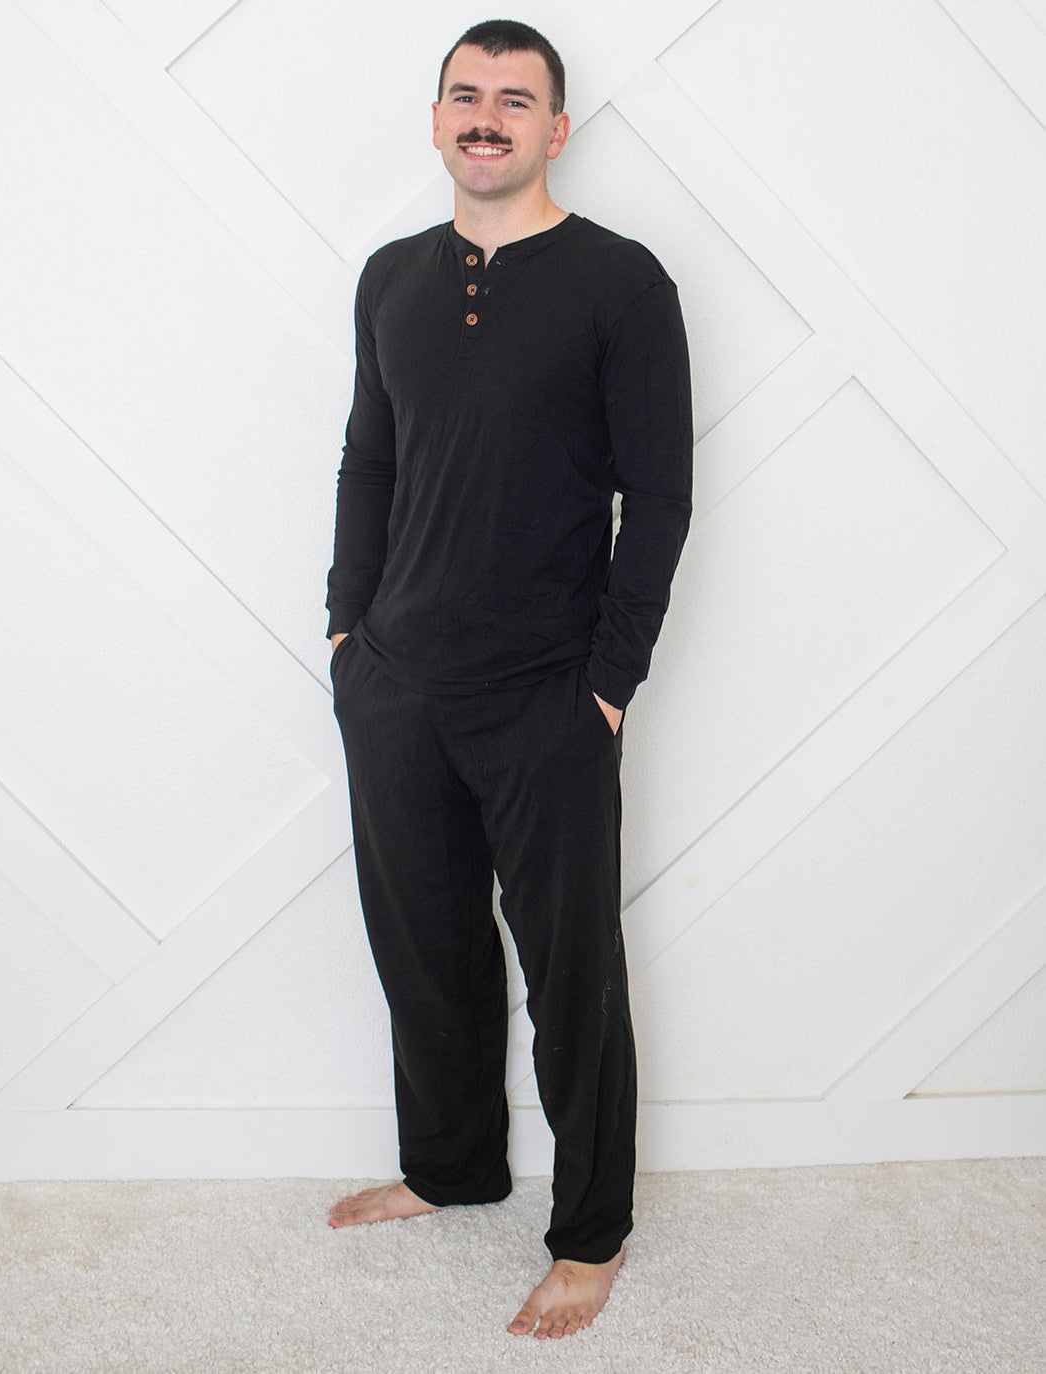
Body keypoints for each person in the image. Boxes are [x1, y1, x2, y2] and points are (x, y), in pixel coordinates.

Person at [324, 19, 693, 1340]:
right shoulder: (389, 280)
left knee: (573, 971)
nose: (487, 117)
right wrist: (344, 637)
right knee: (422, 949)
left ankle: (592, 1232)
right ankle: (453, 1166)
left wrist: (607, 683)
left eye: (515, 99)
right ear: (437, 122)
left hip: (547, 693)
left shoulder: (621, 284)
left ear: (556, 129)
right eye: (464, 96)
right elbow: (371, 460)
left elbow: (656, 498)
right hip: (398, 685)